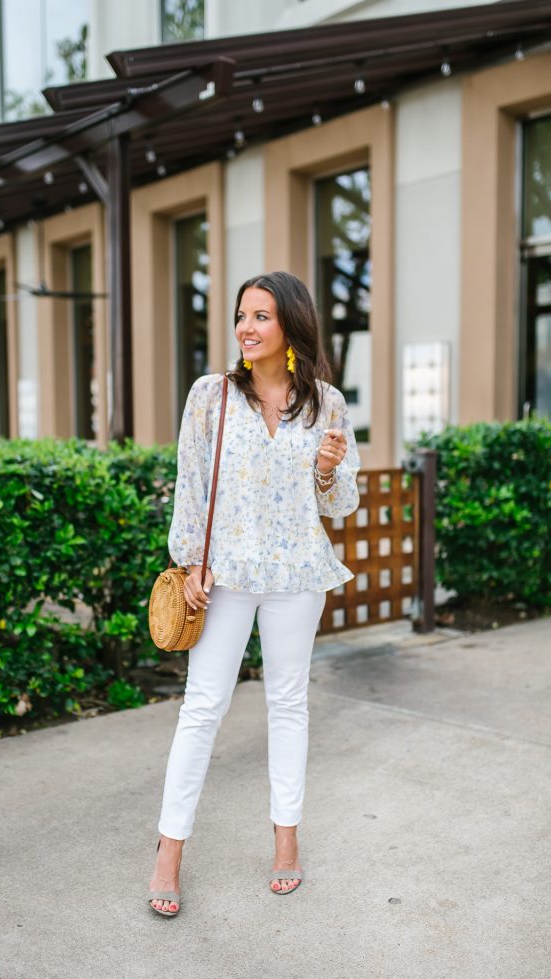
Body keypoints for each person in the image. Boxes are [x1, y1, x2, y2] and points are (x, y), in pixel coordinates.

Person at [148, 271, 361, 917]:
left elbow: (344, 504)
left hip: (298, 574)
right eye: (243, 315)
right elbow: (192, 485)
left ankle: (286, 843)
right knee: (202, 708)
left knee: (289, 704)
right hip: (226, 578)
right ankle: (169, 851)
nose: (246, 326)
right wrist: (188, 562)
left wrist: (327, 471)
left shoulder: (327, 402)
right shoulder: (211, 396)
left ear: (292, 326)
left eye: (262, 316)